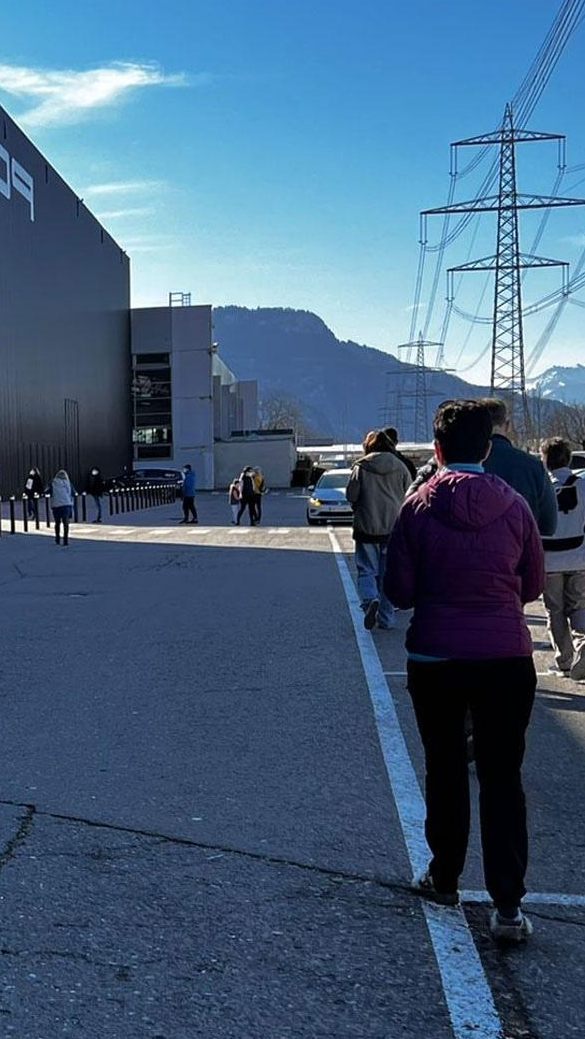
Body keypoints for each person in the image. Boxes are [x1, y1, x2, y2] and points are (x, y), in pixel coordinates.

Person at [385, 400, 544, 943]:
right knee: (503, 776)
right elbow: (532, 585)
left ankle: (445, 877)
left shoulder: (417, 507)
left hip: (437, 655)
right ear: (488, 448)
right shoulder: (515, 506)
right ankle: (508, 905)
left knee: (445, 767)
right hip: (505, 656)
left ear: (437, 449)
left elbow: (399, 590)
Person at [346, 429, 410, 630]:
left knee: (366, 569)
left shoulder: (361, 467)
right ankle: (386, 618)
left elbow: (351, 495)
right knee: (387, 575)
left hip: (367, 526)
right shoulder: (400, 466)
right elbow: (409, 495)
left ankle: (369, 600)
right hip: (393, 528)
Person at [540, 436, 585, 680]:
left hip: (550, 561)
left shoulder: (543, 487)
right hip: (579, 557)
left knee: (555, 611)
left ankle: (564, 661)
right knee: (579, 606)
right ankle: (583, 643)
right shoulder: (582, 486)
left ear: (545, 460)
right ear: (568, 459)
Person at [480, 397, 557, 535]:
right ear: (507, 425)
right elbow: (549, 526)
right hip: (521, 544)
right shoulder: (533, 466)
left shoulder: (466, 464)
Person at [48, 469, 75, 546]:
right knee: (65, 523)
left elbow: (47, 491)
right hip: (66, 504)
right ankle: (65, 540)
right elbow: (73, 492)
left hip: (56, 505)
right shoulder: (68, 483)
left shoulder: (53, 483)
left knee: (57, 523)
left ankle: (57, 539)